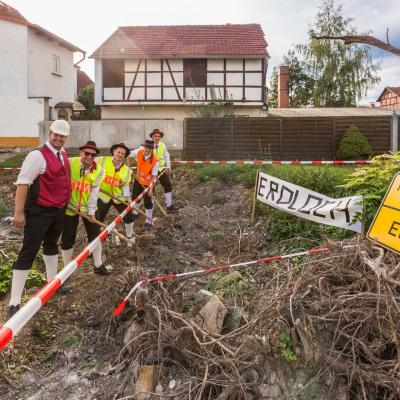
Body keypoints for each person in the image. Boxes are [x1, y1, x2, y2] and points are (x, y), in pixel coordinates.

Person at [8, 120, 71, 318]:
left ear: (66, 138)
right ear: (49, 133)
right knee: (28, 251)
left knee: (52, 244)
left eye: (62, 136)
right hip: (39, 211)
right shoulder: (36, 156)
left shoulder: (63, 154)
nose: (58, 138)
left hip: (58, 209)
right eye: (55, 134)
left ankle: (52, 283)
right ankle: (14, 302)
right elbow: (22, 184)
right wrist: (19, 213)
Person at [60, 141, 112, 275]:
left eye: (92, 155)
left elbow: (94, 192)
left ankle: (98, 265)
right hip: (69, 207)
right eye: (86, 153)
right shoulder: (70, 163)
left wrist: (91, 212)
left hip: (88, 207)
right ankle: (67, 269)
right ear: (80, 153)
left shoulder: (99, 170)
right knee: (68, 238)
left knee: (95, 236)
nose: (89, 157)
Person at [96, 143, 135, 243]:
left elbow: (125, 186)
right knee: (97, 218)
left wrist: (129, 199)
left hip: (118, 197)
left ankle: (129, 236)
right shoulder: (102, 160)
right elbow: (90, 166)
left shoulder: (126, 170)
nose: (120, 155)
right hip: (103, 196)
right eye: (118, 152)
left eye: (122, 154)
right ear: (114, 152)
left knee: (128, 216)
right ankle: (96, 239)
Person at [128, 139, 159, 228]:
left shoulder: (155, 161)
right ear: (144, 147)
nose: (147, 150)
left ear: (152, 149)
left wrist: (151, 188)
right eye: (146, 147)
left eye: (150, 148)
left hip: (148, 183)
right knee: (135, 197)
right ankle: (135, 212)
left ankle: (149, 221)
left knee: (148, 201)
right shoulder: (139, 152)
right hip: (138, 180)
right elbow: (129, 156)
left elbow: (154, 177)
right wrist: (130, 167)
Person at [149, 128, 175, 212]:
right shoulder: (148, 145)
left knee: (167, 185)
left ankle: (169, 206)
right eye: (155, 136)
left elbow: (167, 156)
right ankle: (150, 209)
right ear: (152, 137)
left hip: (160, 169)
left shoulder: (163, 145)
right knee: (150, 189)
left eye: (158, 136)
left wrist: (168, 166)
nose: (157, 138)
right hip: (150, 170)